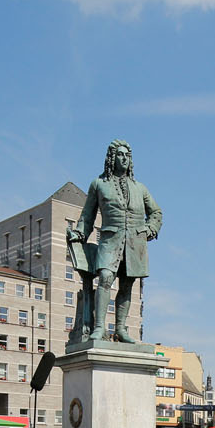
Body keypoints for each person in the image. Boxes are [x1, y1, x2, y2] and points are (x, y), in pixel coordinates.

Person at [68, 139, 163, 344]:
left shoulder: (140, 188)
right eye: (120, 155)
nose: (125, 159)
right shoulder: (99, 184)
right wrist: (79, 233)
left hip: (135, 244)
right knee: (105, 277)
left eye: (128, 155)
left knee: (127, 285)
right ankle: (100, 326)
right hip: (110, 240)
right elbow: (87, 215)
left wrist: (150, 229)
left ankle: (120, 328)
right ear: (111, 158)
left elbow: (156, 212)